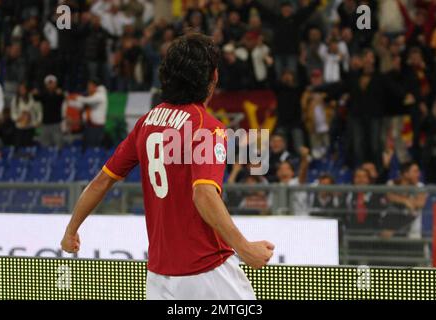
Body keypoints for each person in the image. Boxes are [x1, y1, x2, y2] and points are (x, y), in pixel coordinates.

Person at [61, 34, 274, 300]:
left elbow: (101, 182)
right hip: (207, 271)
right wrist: (245, 249)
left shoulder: (147, 122)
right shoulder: (206, 128)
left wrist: (71, 231)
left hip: (160, 277)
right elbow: (204, 194)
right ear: (214, 77)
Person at [382, 161, 427, 239]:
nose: (419, 174)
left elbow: (420, 203)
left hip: (413, 235)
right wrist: (406, 201)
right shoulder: (391, 184)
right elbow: (389, 196)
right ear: (406, 174)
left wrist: (400, 199)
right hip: (389, 231)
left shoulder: (420, 186)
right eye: (415, 171)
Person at [70, 78, 108, 148]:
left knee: (94, 147)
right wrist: (70, 102)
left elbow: (89, 101)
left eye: (90, 85)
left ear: (95, 86)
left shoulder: (101, 94)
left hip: (97, 127)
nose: (88, 87)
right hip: (89, 125)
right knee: (87, 146)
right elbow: (81, 105)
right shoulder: (91, 95)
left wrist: (77, 97)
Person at [276, 146, 310, 215]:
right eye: (281, 169)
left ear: (292, 172)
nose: (283, 171)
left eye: (287, 169)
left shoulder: (297, 182)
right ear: (277, 173)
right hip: (281, 221)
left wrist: (304, 157)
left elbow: (303, 171)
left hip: (300, 220)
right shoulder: (275, 188)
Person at [34, 75, 65, 148]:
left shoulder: (59, 94)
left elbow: (63, 98)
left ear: (55, 84)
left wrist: (61, 94)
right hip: (45, 124)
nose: (50, 85)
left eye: (52, 83)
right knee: (45, 145)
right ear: (46, 85)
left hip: (56, 123)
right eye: (49, 83)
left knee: (59, 145)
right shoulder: (43, 94)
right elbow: (35, 97)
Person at [10, 82, 42, 148]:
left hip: (30, 126)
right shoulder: (15, 99)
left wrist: (38, 121)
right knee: (19, 146)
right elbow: (13, 113)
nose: (22, 90)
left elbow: (39, 111)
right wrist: (18, 118)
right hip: (19, 127)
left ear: (26, 89)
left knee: (29, 146)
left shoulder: (32, 98)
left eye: (23, 89)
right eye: (20, 89)